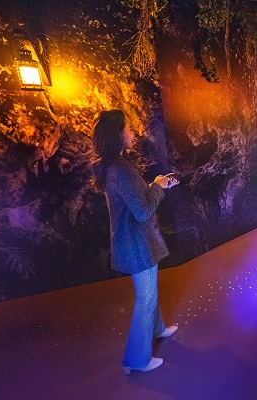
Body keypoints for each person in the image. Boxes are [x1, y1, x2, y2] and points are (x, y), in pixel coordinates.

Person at [91, 109, 179, 375]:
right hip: (136, 243)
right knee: (145, 299)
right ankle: (136, 360)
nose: (132, 132)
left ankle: (158, 329)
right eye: (128, 129)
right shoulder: (120, 169)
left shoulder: (114, 166)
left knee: (149, 292)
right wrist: (158, 187)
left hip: (134, 240)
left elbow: (134, 201)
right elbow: (142, 211)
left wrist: (155, 184)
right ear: (117, 134)